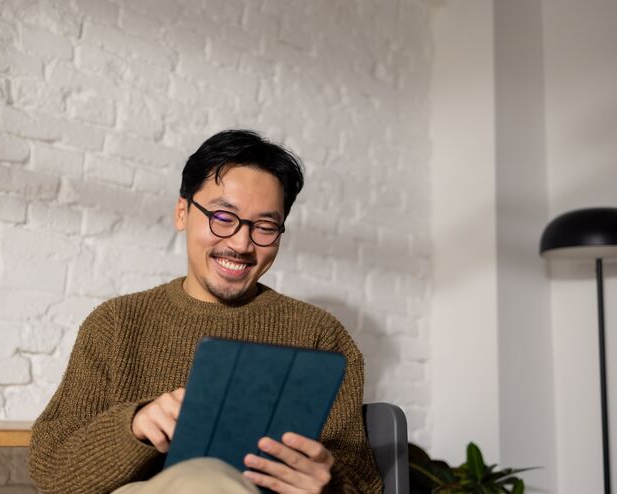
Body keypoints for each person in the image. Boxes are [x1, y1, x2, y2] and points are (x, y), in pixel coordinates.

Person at [28, 130, 383, 494]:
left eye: (265, 227)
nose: (241, 243)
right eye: (223, 217)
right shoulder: (118, 324)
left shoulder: (320, 336)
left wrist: (328, 483)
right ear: (182, 212)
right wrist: (135, 425)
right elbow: (51, 469)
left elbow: (363, 483)